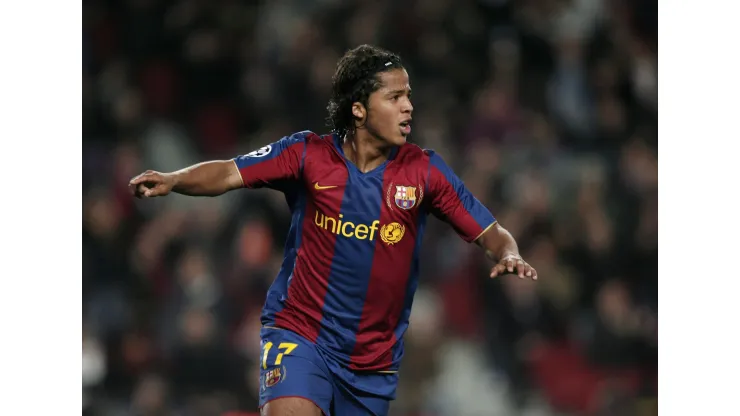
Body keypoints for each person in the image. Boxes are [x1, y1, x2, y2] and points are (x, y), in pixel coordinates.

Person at [129, 44, 538, 416]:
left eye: (408, 95)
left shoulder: (425, 172)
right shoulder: (307, 155)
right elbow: (229, 172)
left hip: (371, 364)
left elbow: (490, 230)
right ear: (359, 108)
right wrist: (174, 179)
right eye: (394, 97)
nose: (409, 107)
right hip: (300, 333)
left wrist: (509, 253)